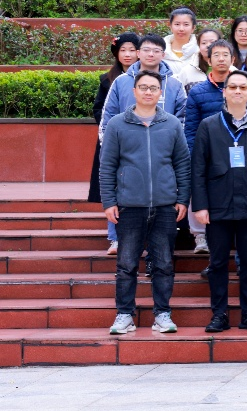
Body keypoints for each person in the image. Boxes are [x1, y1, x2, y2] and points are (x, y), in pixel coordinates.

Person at [100, 70, 190, 336]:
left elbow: (182, 163)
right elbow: (107, 166)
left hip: (164, 205)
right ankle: (124, 315)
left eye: (153, 88)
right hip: (129, 206)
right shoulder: (117, 124)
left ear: (160, 93)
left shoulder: (172, 124)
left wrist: (182, 198)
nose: (148, 92)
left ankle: (162, 314)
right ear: (134, 91)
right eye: (143, 87)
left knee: (164, 264)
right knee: (126, 265)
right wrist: (109, 201)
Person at [190, 69, 247, 334]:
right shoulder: (209, 126)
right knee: (217, 264)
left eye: (243, 87)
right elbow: (198, 169)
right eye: (233, 87)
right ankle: (219, 314)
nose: (238, 91)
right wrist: (200, 206)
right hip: (218, 206)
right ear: (224, 92)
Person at [185, 39, 247, 257]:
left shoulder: (244, 87)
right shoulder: (197, 92)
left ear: (233, 59)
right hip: (210, 158)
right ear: (208, 60)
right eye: (216, 55)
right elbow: (191, 130)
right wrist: (196, 157)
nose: (221, 59)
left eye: (225, 55)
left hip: (240, 156)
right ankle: (202, 238)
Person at [90, 32, 139, 255]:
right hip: (113, 139)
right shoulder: (108, 79)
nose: (127, 54)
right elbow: (99, 109)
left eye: (132, 50)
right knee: (113, 187)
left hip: (140, 138)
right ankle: (115, 238)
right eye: (122, 50)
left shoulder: (147, 78)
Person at [100, 33, 187, 141]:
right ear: (138, 53)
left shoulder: (175, 84)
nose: (151, 54)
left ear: (163, 55)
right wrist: (108, 144)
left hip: (164, 146)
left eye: (156, 51)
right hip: (127, 145)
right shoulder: (121, 81)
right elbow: (109, 115)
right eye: (146, 50)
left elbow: (182, 119)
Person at [163, 7, 199, 72]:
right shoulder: (160, 50)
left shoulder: (199, 51)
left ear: (193, 28)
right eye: (177, 24)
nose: (181, 29)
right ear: (171, 27)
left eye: (186, 24)